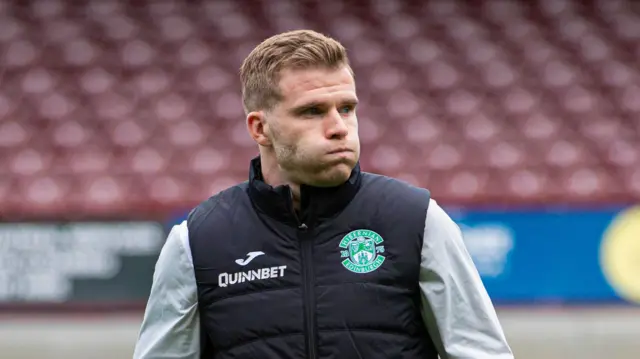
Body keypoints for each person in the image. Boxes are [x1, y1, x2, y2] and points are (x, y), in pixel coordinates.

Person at [132, 29, 514, 359]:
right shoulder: (198, 241)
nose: (338, 127)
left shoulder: (417, 221)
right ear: (259, 128)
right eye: (313, 111)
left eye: (346, 108)